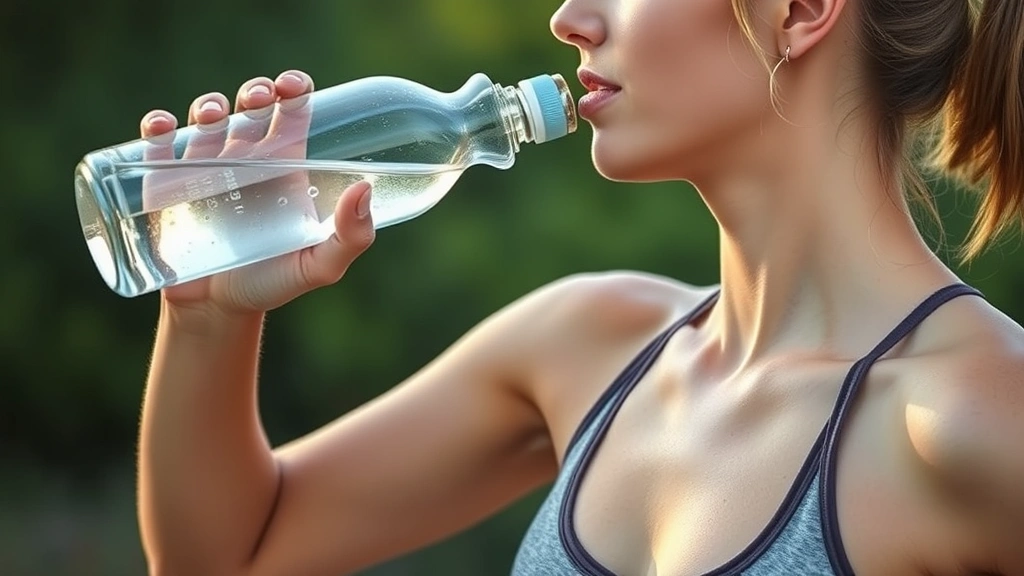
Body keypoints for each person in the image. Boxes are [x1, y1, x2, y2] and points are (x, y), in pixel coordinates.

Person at [134, 0, 1024, 574]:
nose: (569, 17)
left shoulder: (979, 418)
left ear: (799, 11)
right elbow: (227, 557)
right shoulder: (586, 345)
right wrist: (210, 318)